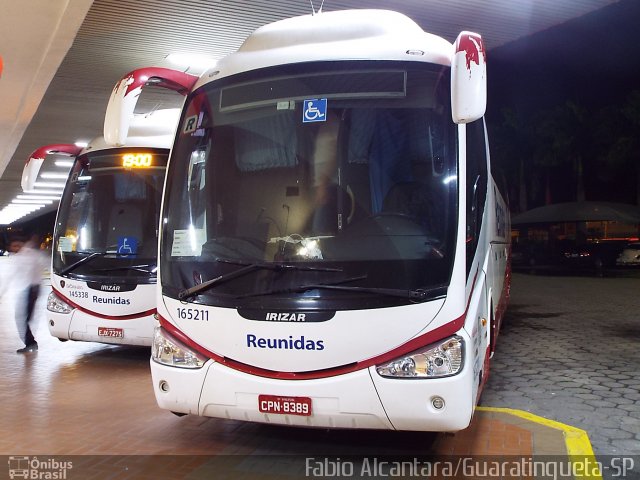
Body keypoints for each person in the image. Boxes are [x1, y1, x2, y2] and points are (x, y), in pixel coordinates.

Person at [12, 234, 48, 353]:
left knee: (23, 318)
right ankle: (31, 342)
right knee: (25, 318)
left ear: (20, 244)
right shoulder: (32, 254)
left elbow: (12, 275)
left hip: (31, 289)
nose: (13, 249)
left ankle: (31, 343)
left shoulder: (26, 255)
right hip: (33, 289)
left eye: (15, 246)